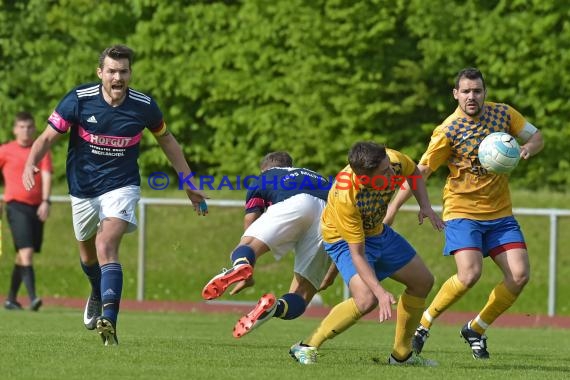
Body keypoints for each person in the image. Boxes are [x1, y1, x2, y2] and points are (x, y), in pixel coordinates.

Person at [22, 44, 208, 346]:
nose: (117, 77)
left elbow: (168, 141)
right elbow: (46, 137)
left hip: (122, 186)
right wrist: (31, 161)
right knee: (87, 253)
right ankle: (96, 291)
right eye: (111, 71)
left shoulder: (144, 105)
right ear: (100, 73)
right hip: (82, 189)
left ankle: (110, 320)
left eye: (123, 71)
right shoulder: (79, 100)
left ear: (130, 73)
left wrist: (188, 180)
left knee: (106, 244)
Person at [384, 67, 544, 359]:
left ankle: (476, 328)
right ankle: (424, 323)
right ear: (456, 94)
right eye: (466, 91)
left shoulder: (504, 115)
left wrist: (529, 147)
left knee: (519, 275)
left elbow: (537, 136)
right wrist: (394, 208)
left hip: (500, 214)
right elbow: (420, 171)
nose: (472, 96)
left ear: (485, 92)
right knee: (469, 274)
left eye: (478, 91)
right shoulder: (448, 131)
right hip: (462, 210)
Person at [289, 141, 444, 365]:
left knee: (423, 281)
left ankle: (402, 355)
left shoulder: (392, 159)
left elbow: (415, 174)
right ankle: (306, 346)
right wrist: (380, 291)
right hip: (343, 240)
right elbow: (358, 254)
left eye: (389, 167)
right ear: (364, 178)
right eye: (384, 172)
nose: (392, 173)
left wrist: (425, 205)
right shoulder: (346, 196)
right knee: (366, 299)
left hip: (378, 232)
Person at [202, 151, 338, 338]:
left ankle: (240, 265)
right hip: (330, 216)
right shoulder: (319, 178)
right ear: (291, 165)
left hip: (295, 203)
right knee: (302, 295)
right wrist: (331, 273)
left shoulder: (265, 177)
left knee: (247, 246)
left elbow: (251, 222)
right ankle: (275, 307)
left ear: (264, 168)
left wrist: (248, 267)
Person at [0, 112, 52, 312]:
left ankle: (11, 299)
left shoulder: (41, 151)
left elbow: (46, 175)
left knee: (22, 256)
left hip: (36, 207)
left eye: (29, 127)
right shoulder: (5, 150)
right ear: (14, 129)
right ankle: (33, 298)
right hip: (15, 205)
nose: (25, 130)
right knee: (27, 252)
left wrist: (46, 201)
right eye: (21, 127)